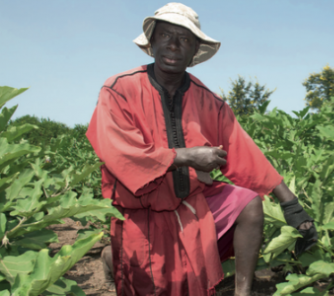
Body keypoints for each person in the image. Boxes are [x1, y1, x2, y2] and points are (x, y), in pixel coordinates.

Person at [86, 3, 317, 295]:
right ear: (152, 42)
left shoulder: (210, 101)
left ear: (195, 50)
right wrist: (186, 156)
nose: (173, 45)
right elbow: (118, 153)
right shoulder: (120, 89)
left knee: (247, 204)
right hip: (142, 212)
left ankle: (242, 292)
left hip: (190, 204)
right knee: (153, 286)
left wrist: (291, 206)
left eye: (184, 39)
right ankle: (113, 254)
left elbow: (245, 154)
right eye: (166, 36)